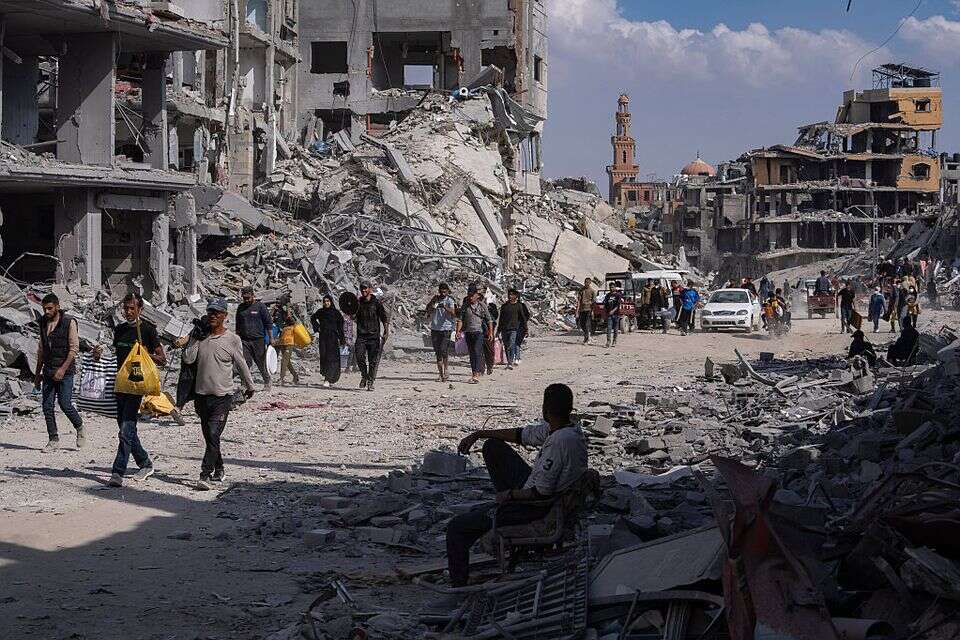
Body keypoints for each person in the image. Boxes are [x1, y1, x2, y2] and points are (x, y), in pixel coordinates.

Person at [445, 384, 587, 589]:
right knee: (493, 446)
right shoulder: (567, 430)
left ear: (545, 409)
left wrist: (510, 495)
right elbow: (522, 435)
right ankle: (503, 507)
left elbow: (541, 492)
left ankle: (459, 585)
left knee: (457, 527)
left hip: (537, 506)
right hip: (541, 489)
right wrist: (480, 434)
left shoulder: (559, 442)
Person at [181, 299, 256, 489]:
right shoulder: (202, 336)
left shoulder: (232, 339)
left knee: (213, 433)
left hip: (222, 397)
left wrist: (250, 385)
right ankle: (219, 467)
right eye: (210, 312)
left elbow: (241, 363)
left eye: (217, 313)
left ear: (225, 316)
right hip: (201, 395)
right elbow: (188, 359)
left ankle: (205, 474)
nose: (213, 316)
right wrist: (194, 338)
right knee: (210, 437)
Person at [99, 292, 166, 487]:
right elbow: (117, 357)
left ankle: (117, 472)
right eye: (126, 308)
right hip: (120, 385)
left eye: (132, 308)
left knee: (126, 429)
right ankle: (145, 463)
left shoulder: (147, 330)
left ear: (140, 310)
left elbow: (162, 359)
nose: (128, 312)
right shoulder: (119, 330)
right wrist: (97, 355)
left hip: (137, 386)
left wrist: (146, 354)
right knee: (125, 428)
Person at [35, 293, 85, 451]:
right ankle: (53, 439)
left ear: (57, 306)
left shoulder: (69, 322)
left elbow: (74, 349)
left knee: (65, 404)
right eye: (44, 309)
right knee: (47, 406)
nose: (47, 311)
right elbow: (41, 350)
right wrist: (37, 374)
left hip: (66, 371)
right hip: (49, 370)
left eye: (50, 308)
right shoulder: (43, 323)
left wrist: (62, 369)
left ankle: (79, 427)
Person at [351, 282, 390, 391]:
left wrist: (386, 332)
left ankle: (370, 381)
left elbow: (384, 318)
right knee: (359, 357)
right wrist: (351, 313)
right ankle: (364, 375)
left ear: (370, 289)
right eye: (362, 289)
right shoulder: (358, 303)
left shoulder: (376, 303)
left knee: (373, 361)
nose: (363, 290)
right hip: (361, 336)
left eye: (365, 288)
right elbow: (354, 317)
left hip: (373, 336)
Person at [235, 286, 273, 391]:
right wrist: (237, 338)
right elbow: (238, 324)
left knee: (261, 362)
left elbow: (268, 323)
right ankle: (244, 383)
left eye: (248, 298)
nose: (246, 300)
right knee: (244, 362)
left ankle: (267, 380)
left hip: (258, 340)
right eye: (244, 298)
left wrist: (271, 338)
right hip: (244, 340)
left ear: (253, 295)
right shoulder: (241, 307)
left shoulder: (260, 307)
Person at [457, 285, 492, 384]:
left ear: (477, 295)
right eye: (469, 295)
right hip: (468, 333)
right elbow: (460, 320)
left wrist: (491, 332)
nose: (471, 297)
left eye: (472, 295)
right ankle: (474, 373)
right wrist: (458, 331)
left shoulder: (482, 305)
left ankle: (476, 374)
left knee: (477, 351)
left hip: (479, 332)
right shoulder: (465, 306)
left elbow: (489, 320)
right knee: (472, 353)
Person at [311, 295, 346, 388]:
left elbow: (340, 328)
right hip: (323, 338)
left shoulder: (336, 313)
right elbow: (313, 318)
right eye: (325, 301)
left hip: (333, 338)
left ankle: (328, 378)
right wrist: (317, 327)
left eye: (328, 301)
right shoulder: (321, 312)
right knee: (324, 356)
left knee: (331, 358)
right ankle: (327, 376)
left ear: (331, 302)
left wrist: (342, 340)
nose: (326, 303)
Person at [425, 283, 457, 382]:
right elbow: (428, 311)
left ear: (447, 291)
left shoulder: (450, 300)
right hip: (435, 328)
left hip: (446, 328)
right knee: (438, 352)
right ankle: (440, 374)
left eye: (445, 291)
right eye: (441, 291)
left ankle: (446, 369)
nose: (443, 293)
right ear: (439, 291)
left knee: (444, 350)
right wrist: (432, 304)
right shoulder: (435, 300)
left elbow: (454, 313)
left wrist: (445, 307)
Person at [273, 300, 300, 386]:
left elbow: (291, 319)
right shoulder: (280, 317)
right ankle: (295, 376)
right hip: (282, 342)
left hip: (289, 342)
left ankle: (281, 378)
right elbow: (272, 320)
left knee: (284, 360)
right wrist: (274, 310)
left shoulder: (291, 318)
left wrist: (288, 309)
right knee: (287, 362)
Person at [498, 289, 527, 369]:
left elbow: (523, 318)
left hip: (513, 329)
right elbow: (501, 319)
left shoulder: (518, 306)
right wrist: (498, 330)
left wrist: (525, 328)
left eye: (511, 294)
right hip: (504, 329)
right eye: (509, 294)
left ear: (515, 296)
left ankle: (510, 362)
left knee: (511, 345)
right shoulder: (504, 306)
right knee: (506, 346)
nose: (510, 296)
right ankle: (509, 362)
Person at [602, 281, 624, 347]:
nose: (611, 288)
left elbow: (618, 305)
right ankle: (608, 342)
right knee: (609, 328)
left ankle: (614, 341)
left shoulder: (618, 295)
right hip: (609, 315)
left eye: (612, 287)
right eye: (610, 287)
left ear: (615, 287)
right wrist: (604, 313)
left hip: (616, 314)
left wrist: (613, 311)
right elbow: (605, 305)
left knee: (615, 329)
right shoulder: (608, 295)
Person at [577, 278, 597, 344]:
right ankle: (587, 334)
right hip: (582, 309)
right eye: (585, 282)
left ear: (590, 283)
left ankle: (586, 338)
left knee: (586, 324)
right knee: (582, 324)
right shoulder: (581, 290)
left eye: (588, 282)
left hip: (589, 309)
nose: (586, 283)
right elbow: (579, 301)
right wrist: (577, 311)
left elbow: (594, 302)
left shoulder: (592, 291)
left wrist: (592, 311)